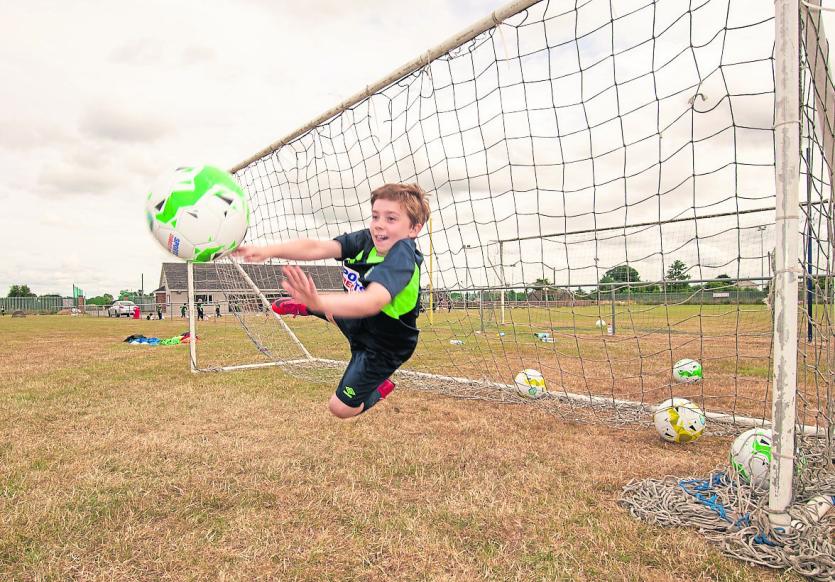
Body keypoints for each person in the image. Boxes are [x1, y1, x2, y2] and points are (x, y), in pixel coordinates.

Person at [233, 183, 430, 419]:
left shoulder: (402, 257)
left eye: (391, 218)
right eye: (375, 216)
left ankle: (381, 386)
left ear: (414, 228)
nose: (379, 224)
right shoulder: (366, 239)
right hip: (358, 322)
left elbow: (371, 302)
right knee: (334, 311)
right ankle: (310, 307)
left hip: (383, 346)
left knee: (340, 408)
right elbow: (318, 247)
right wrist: (269, 251)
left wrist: (318, 302)